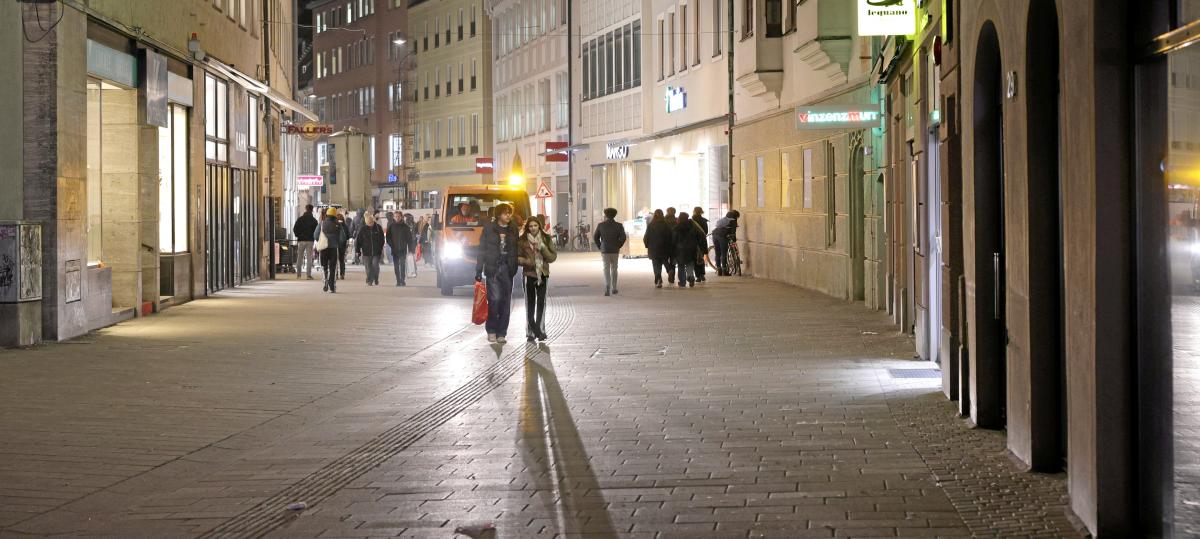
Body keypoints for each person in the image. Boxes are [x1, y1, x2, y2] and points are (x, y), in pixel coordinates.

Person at [476, 203, 520, 343]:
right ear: (499, 214)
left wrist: (515, 265)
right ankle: (491, 330)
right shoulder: (489, 228)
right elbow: (482, 250)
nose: (508, 215)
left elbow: (517, 247)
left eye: (509, 213)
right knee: (494, 300)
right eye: (505, 213)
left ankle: (502, 333)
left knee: (505, 302)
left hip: (507, 268)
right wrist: (478, 269)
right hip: (493, 268)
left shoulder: (513, 228)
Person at [517, 215, 557, 342]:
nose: (533, 228)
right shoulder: (522, 240)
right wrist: (527, 261)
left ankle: (540, 330)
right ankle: (531, 332)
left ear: (539, 226)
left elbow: (552, 257)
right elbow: (517, 257)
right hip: (528, 274)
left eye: (535, 225)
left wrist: (543, 248)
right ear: (527, 228)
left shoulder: (546, 238)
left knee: (541, 303)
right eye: (530, 226)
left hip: (543, 274)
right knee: (529, 304)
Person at [593, 207, 627, 296]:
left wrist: (600, 246)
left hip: (605, 250)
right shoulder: (619, 225)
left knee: (606, 268)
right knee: (614, 268)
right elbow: (623, 237)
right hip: (615, 250)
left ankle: (607, 285)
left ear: (606, 215)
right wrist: (618, 245)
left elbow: (595, 237)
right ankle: (614, 287)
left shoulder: (601, 225)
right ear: (614, 215)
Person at [673, 211, 704, 288]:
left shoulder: (676, 228)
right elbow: (699, 236)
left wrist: (672, 249)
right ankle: (691, 276)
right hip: (692, 248)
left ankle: (682, 282)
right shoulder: (693, 227)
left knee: (681, 265)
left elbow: (674, 240)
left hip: (680, 249)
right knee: (690, 264)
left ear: (679, 218)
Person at [643, 209, 673, 288]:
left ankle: (658, 280)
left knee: (656, 264)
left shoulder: (651, 225)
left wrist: (647, 245)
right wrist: (669, 246)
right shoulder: (666, 225)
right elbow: (670, 237)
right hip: (664, 247)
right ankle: (669, 270)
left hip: (653, 248)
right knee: (665, 260)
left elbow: (646, 237)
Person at [355, 213, 385, 286]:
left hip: (376, 252)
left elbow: (382, 239)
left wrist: (380, 248)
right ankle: (369, 280)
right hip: (366, 252)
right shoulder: (363, 229)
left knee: (375, 265)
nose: (370, 224)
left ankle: (376, 278)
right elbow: (358, 241)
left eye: (371, 223)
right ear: (366, 223)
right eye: (368, 223)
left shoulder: (378, 228)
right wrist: (357, 251)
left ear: (373, 221)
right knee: (368, 268)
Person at [319, 208, 344, 293]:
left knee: (324, 266)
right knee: (333, 267)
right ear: (335, 215)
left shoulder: (322, 223)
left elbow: (315, 235)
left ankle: (325, 279)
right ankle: (332, 286)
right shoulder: (338, 224)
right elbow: (342, 238)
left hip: (323, 248)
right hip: (333, 248)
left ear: (327, 214)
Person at [292, 204, 319, 280]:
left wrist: (298, 235)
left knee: (299, 257)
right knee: (309, 258)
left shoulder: (300, 219)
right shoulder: (314, 220)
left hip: (301, 240)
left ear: (305, 209)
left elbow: (295, 229)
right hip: (310, 241)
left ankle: (298, 275)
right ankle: (308, 275)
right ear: (312, 210)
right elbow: (316, 231)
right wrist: (314, 238)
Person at [387, 211, 413, 286]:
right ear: (394, 217)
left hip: (403, 250)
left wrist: (411, 249)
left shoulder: (405, 227)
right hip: (394, 250)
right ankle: (398, 280)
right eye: (396, 216)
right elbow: (388, 237)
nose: (397, 218)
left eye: (398, 216)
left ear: (401, 217)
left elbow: (409, 239)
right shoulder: (391, 226)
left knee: (402, 265)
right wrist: (391, 245)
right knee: (396, 266)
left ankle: (402, 280)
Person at [712, 210, 740, 276]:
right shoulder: (733, 220)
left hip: (715, 235)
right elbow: (733, 232)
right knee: (723, 253)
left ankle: (719, 271)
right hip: (722, 236)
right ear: (736, 216)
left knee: (717, 253)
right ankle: (724, 271)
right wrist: (734, 239)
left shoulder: (725, 218)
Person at [692, 207, 710, 283]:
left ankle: (698, 276)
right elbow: (706, 231)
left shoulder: (691, 221)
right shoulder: (704, 220)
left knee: (694, 259)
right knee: (701, 258)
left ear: (694, 211)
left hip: (693, 242)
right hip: (702, 242)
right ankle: (702, 274)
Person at [663, 207, 678, 284]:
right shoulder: (677, 221)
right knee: (673, 261)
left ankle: (669, 270)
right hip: (675, 244)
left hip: (665, 244)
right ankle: (672, 278)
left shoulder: (663, 221)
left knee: (664, 259)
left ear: (667, 212)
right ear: (674, 212)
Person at [335, 213, 349, 279]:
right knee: (342, 259)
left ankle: (336, 274)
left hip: (335, 244)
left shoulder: (334, 225)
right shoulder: (345, 226)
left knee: (335, 260)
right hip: (342, 244)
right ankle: (342, 274)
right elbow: (348, 235)